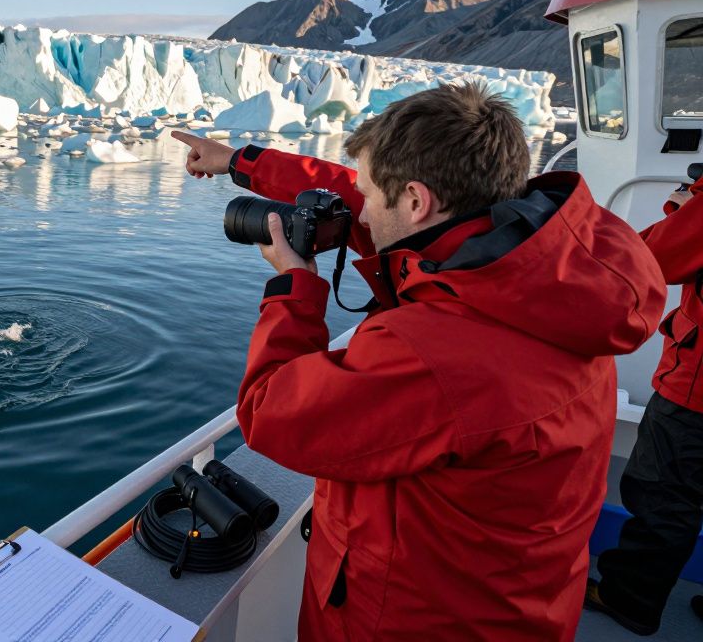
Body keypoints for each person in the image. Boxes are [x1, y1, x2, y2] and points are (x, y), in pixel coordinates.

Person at [176, 82, 667, 641]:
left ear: (416, 201)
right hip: (519, 605)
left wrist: (295, 288)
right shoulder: (546, 278)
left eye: (371, 196)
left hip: (409, 618)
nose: (359, 207)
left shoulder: (435, 350)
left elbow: (269, 412)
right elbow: (366, 201)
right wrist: (243, 163)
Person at [585, 174, 703, 635]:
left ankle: (628, 599)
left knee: (664, 496)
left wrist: (679, 209)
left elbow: (650, 258)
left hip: (696, 389)